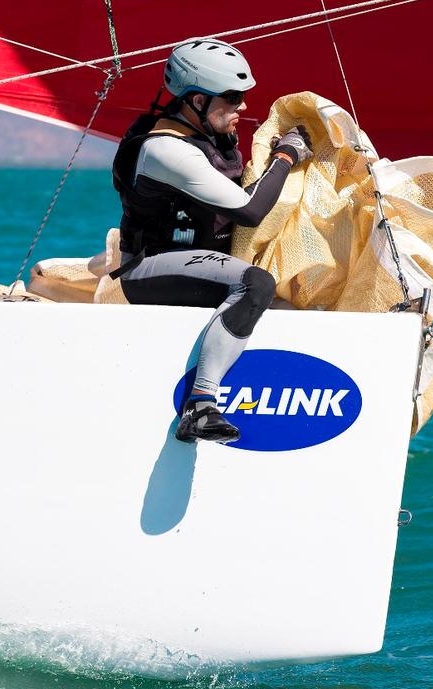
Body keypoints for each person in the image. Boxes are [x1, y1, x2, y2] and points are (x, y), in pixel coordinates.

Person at [112, 37, 313, 444]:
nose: (243, 107)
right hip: (148, 268)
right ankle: (200, 406)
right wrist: (286, 157)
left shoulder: (210, 137)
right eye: (233, 97)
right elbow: (251, 210)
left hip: (197, 263)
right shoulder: (167, 150)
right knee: (255, 284)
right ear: (197, 101)